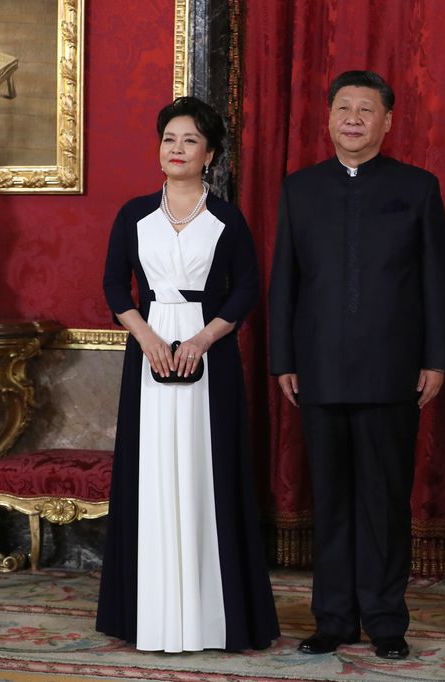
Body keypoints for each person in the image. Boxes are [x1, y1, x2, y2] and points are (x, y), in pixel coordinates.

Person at [268, 70, 445, 661]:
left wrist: (435, 359)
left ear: (387, 121)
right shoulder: (299, 189)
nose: (353, 118)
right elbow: (285, 284)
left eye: (366, 109)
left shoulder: (418, 187)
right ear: (327, 118)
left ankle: (384, 618)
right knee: (330, 499)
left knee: (383, 500)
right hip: (317, 369)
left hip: (393, 371)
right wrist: (283, 359)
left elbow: (436, 283)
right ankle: (333, 617)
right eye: (343, 108)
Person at [97, 96, 279, 652]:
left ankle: (214, 618)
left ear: (211, 154)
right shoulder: (133, 214)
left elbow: (247, 286)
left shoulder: (226, 218)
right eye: (169, 139)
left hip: (211, 354)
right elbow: (112, 287)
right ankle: (146, 616)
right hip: (148, 354)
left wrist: (202, 339)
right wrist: (148, 338)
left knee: (210, 474)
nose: (176, 149)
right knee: (149, 472)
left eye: (190, 141)